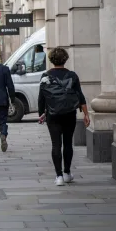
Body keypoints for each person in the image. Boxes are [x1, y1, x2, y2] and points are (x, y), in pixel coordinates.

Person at [38, 47, 89, 186]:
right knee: (67, 143)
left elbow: (41, 98)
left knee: (56, 144)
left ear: (51, 60)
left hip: (52, 115)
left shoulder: (45, 76)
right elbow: (80, 95)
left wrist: (41, 113)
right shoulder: (72, 75)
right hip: (69, 113)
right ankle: (67, 173)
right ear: (65, 59)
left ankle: (58, 176)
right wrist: (86, 114)